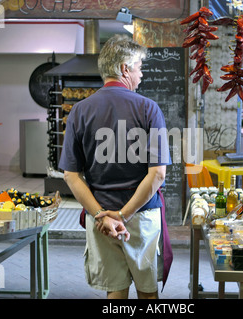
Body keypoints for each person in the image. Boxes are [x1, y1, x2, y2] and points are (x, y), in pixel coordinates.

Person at [58, 34, 172, 299]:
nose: (141, 74)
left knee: (115, 292)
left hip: (102, 221)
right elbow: (158, 174)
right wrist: (125, 214)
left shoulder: (79, 111)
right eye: (139, 67)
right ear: (124, 69)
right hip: (142, 216)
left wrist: (102, 215)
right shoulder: (149, 109)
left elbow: (70, 175)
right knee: (147, 293)